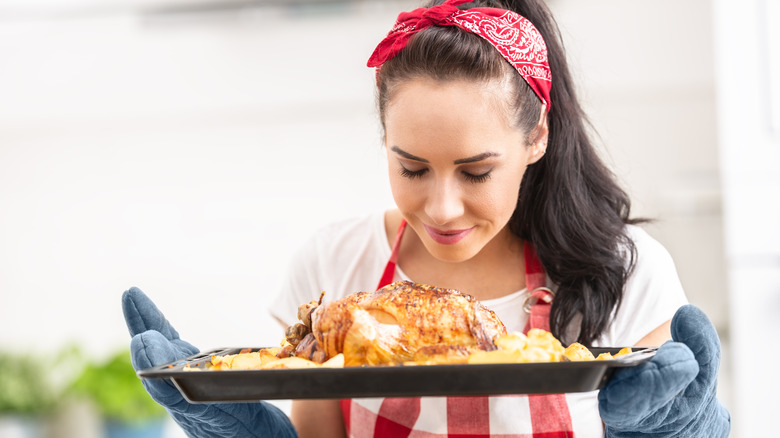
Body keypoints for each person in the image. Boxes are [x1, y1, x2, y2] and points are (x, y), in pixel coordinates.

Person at [122, 1, 731, 437]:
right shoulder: (335, 265)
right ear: (384, 139)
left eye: (476, 172)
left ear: (537, 136)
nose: (441, 209)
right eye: (412, 169)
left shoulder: (624, 271)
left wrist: (685, 429)